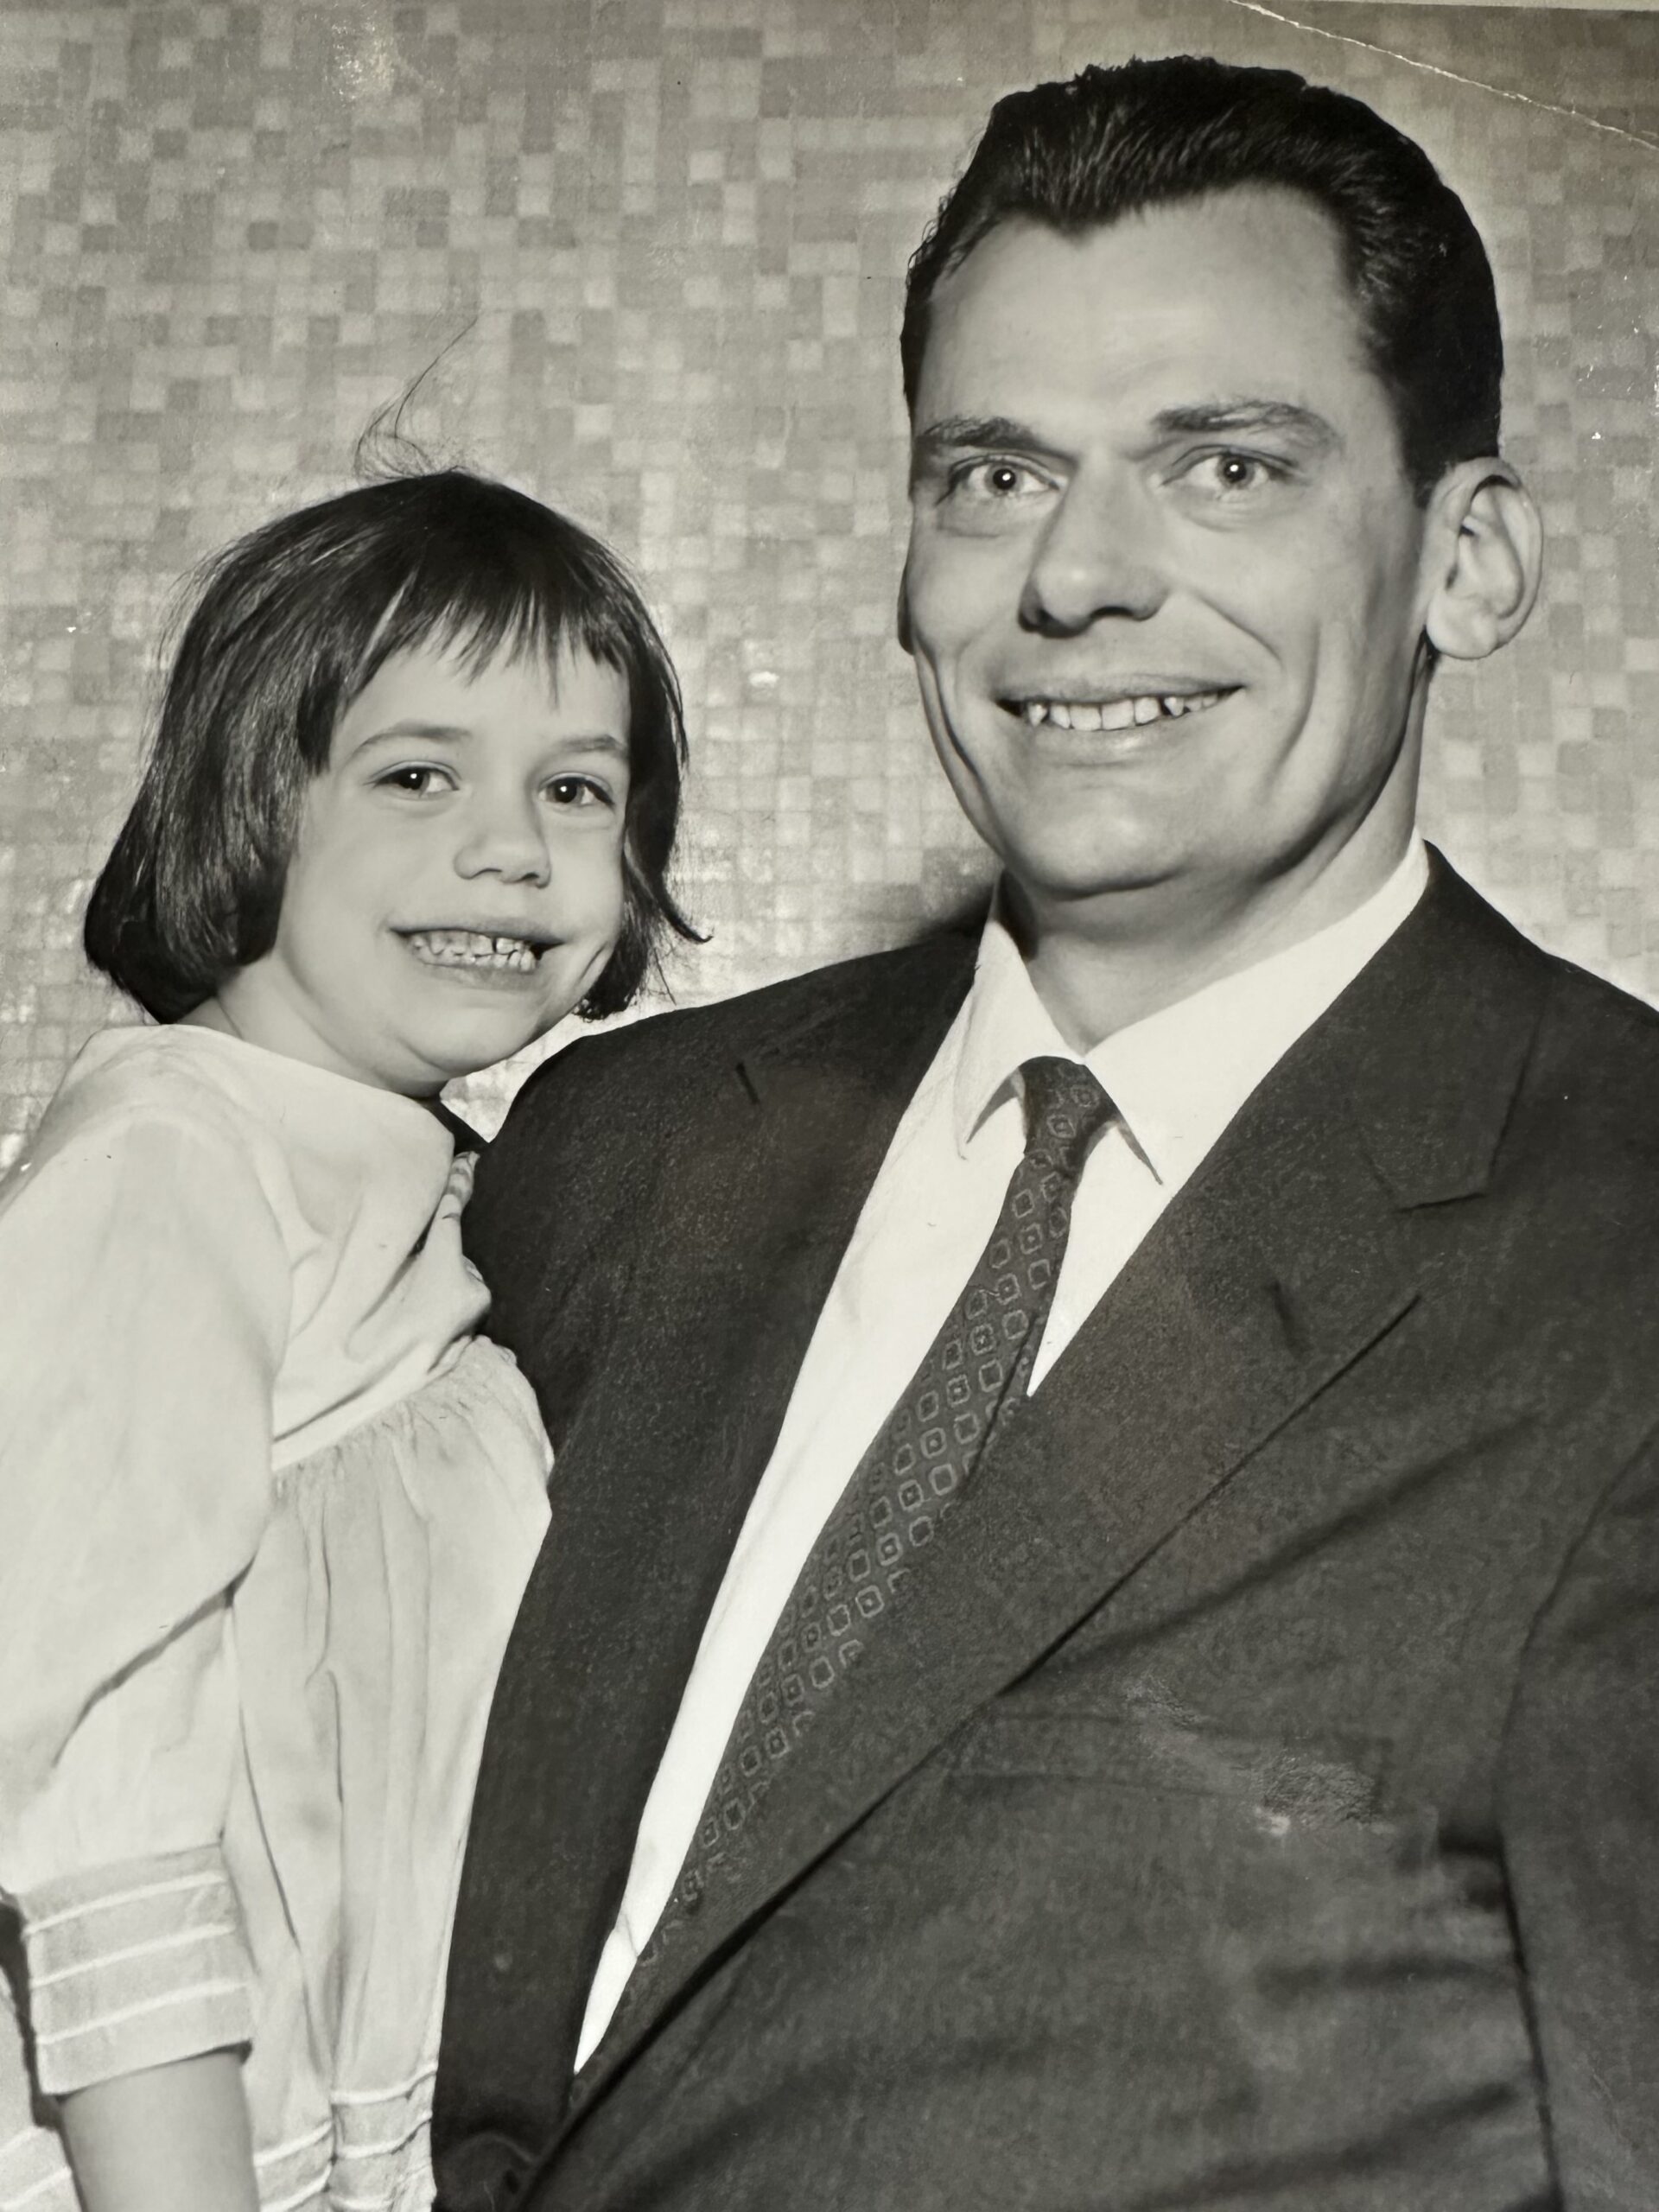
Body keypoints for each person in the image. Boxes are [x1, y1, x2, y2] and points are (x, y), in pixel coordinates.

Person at [435, 54, 1659, 2212]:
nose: (1077, 578)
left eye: (1226, 465)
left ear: (1469, 558)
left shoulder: (1623, 1245)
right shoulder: (603, 1145)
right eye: (993, 474)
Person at [0, 469, 693, 2212]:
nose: (511, 844)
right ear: (257, 796)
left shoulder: (433, 1183)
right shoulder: (173, 1156)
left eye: (576, 787)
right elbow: (95, 1800)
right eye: (415, 775)